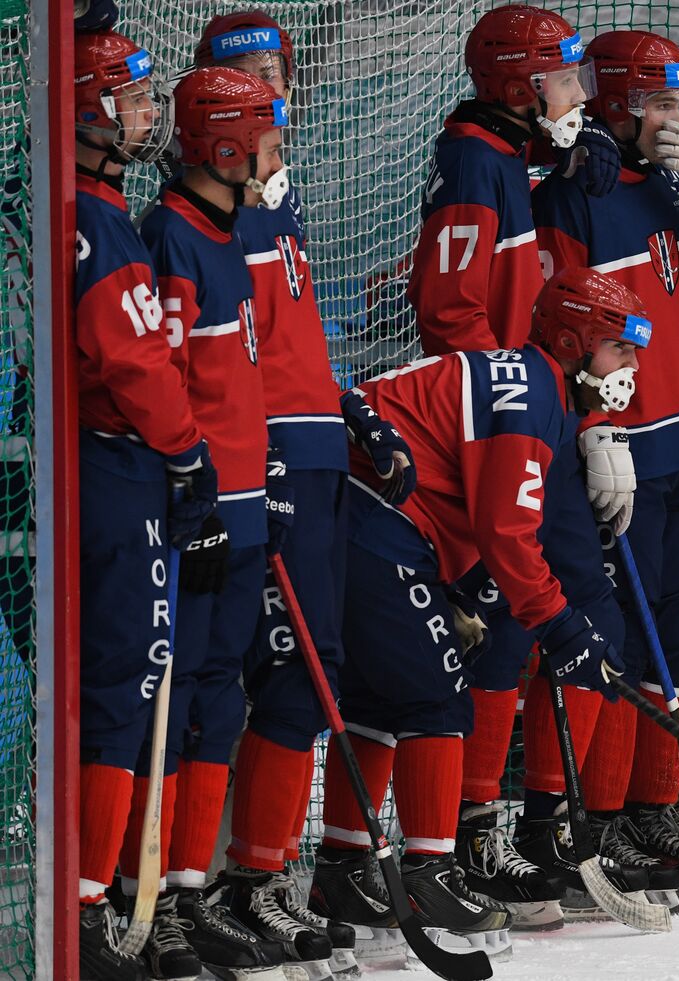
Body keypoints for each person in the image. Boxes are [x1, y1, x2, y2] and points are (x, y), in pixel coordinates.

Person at [309, 268, 650, 950]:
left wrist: (469, 594)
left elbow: (479, 514)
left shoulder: (536, 390)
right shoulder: (532, 399)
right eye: (622, 348)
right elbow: (506, 533)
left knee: (382, 695)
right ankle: (430, 869)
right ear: (575, 339)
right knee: (436, 694)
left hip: (370, 513)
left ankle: (344, 867)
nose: (632, 367)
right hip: (372, 511)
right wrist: (560, 627)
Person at [190, 12, 413, 976]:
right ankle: (239, 882)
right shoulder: (214, 214)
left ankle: (270, 875)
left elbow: (295, 342)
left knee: (314, 665)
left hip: (316, 448)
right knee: (276, 672)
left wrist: (353, 411)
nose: (276, 86)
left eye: (281, 68)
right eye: (254, 74)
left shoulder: (276, 199)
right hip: (268, 462)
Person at [530, 27, 679, 903]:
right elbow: (561, 326)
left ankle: (660, 805)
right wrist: (593, 427)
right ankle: (604, 817)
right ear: (622, 106)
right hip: (625, 445)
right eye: (662, 103)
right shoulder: (574, 195)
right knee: (623, 637)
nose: (678, 120)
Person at [119, 64, 303, 978]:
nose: (279, 144)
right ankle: (140, 898)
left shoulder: (233, 233)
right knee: (175, 698)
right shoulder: (171, 235)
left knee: (221, 699)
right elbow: (170, 384)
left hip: (241, 509)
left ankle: (189, 890)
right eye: (266, 130)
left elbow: (244, 382)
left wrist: (260, 471)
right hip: (192, 512)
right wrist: (191, 494)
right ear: (224, 144)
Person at [71, 29, 216, 981]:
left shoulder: (65, 204)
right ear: (80, 106)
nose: (144, 109)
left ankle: (97, 897)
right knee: (131, 679)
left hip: (72, 468)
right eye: (124, 94)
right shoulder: (103, 220)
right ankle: (87, 909)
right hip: (119, 473)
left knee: (102, 685)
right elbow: (133, 359)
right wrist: (191, 452)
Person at [408, 3, 620, 356]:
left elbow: (520, 149)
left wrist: (580, 140)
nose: (580, 96)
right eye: (566, 81)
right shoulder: (472, 167)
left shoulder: (501, 144)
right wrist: (499, 393)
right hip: (500, 392)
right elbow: (449, 313)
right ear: (520, 91)